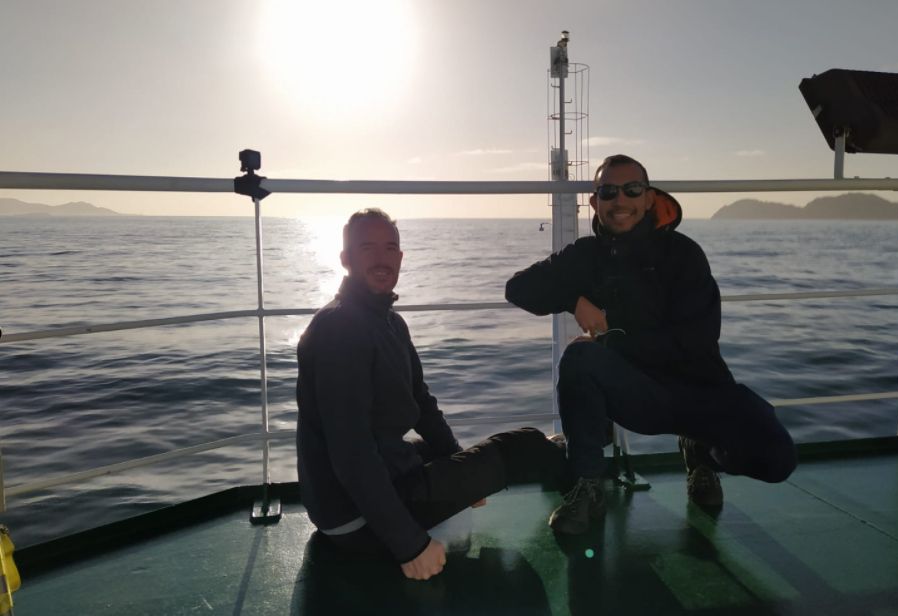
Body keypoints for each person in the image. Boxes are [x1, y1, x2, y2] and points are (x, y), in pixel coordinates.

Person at [505, 154, 797, 534]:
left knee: (778, 459)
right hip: (639, 396)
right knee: (579, 357)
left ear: (648, 198)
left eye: (632, 190)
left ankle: (703, 453)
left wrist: (614, 341)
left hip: (701, 390)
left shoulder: (683, 254)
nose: (620, 201)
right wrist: (573, 300)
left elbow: (696, 340)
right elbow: (518, 288)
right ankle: (588, 486)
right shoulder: (586, 256)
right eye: (608, 191)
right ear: (595, 202)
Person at [296, 208, 566, 580]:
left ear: (401, 258)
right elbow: (352, 452)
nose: (381, 258)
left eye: (390, 248)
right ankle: (583, 482)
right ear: (345, 259)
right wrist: (411, 546)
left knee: (438, 452)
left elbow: (421, 403)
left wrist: (460, 462)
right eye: (367, 248)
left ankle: (560, 455)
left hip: (348, 501)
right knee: (527, 445)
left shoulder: (386, 321)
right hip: (354, 521)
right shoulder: (340, 330)